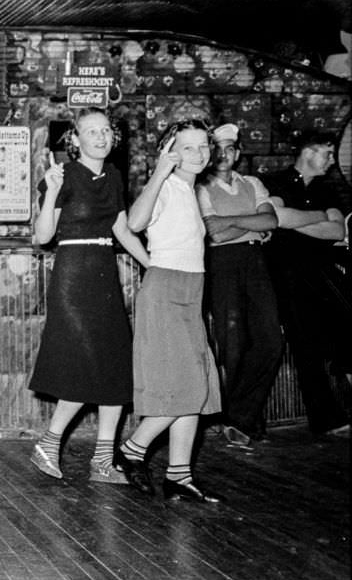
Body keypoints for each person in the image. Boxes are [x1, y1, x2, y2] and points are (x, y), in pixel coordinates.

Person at [27, 108, 149, 483]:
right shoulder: (62, 175)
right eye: (90, 131)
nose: (101, 137)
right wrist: (49, 190)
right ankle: (49, 443)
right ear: (74, 140)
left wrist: (152, 265)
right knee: (86, 365)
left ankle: (102, 461)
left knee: (115, 365)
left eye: (106, 131)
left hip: (104, 273)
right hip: (72, 275)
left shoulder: (113, 176)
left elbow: (122, 229)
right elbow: (42, 237)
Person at [115, 119, 225, 503]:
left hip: (190, 290)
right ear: (169, 152)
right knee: (185, 388)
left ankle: (179, 475)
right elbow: (132, 223)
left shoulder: (190, 191)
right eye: (188, 147)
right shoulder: (165, 187)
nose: (198, 154)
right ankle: (132, 450)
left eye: (203, 147)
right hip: (166, 292)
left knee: (198, 385)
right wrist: (159, 174)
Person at [261, 130, 352, 436]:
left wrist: (299, 220)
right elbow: (277, 218)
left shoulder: (329, 188)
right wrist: (317, 217)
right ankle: (327, 419)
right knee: (305, 346)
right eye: (327, 153)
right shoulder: (275, 182)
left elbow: (337, 232)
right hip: (286, 276)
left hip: (322, 272)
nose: (330, 161)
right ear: (309, 152)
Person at [196, 123, 281, 446]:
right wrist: (251, 225)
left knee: (271, 340)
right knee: (232, 345)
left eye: (230, 148)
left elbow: (270, 220)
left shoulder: (253, 182)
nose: (223, 155)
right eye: (217, 148)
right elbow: (214, 235)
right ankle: (244, 422)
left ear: (238, 153)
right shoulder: (200, 188)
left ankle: (238, 416)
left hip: (256, 263)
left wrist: (231, 221)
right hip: (222, 265)